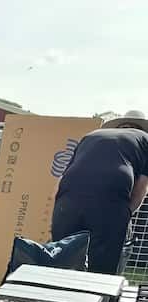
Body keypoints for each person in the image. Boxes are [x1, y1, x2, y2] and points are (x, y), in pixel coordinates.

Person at [51, 111, 148, 274]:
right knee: (102, 266)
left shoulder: (92, 136)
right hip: (112, 194)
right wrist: (124, 214)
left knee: (63, 257)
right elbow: (141, 188)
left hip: (68, 197)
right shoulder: (145, 140)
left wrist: (60, 209)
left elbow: (62, 180)